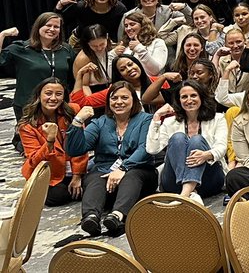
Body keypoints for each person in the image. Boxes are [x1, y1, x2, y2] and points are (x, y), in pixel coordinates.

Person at [65, 81, 156, 236]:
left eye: (124, 98)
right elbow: (75, 149)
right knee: (94, 177)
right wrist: (77, 122)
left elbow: (145, 148)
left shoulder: (146, 120)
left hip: (139, 171)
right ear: (108, 102)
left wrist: (123, 168)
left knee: (132, 176)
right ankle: (91, 217)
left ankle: (117, 216)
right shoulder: (101, 122)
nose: (119, 102)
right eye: (114, 98)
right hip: (105, 171)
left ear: (133, 100)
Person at [0, 13, 75, 153]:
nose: (52, 29)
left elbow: (73, 76)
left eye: (56, 27)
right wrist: (3, 35)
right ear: (38, 27)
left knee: (59, 144)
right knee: (35, 145)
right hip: (28, 104)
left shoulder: (65, 50)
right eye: (48, 25)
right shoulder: (21, 48)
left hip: (57, 102)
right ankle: (19, 140)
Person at [146, 80, 227, 204]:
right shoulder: (170, 122)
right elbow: (152, 149)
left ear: (201, 97)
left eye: (193, 95)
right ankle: (190, 193)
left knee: (197, 140)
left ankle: (184, 196)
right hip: (174, 183)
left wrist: (206, 155)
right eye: (184, 97)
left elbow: (222, 147)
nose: (189, 100)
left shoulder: (218, 119)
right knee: (178, 137)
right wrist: (157, 117)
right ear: (179, 101)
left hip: (208, 180)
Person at [19, 78, 86, 205]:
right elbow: (34, 160)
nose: (53, 98)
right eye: (48, 93)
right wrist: (49, 141)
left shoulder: (73, 111)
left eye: (58, 94)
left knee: (93, 186)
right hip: (50, 173)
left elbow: (80, 146)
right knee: (58, 196)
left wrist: (77, 175)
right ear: (39, 95)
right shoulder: (27, 126)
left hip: (72, 167)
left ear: (63, 97)